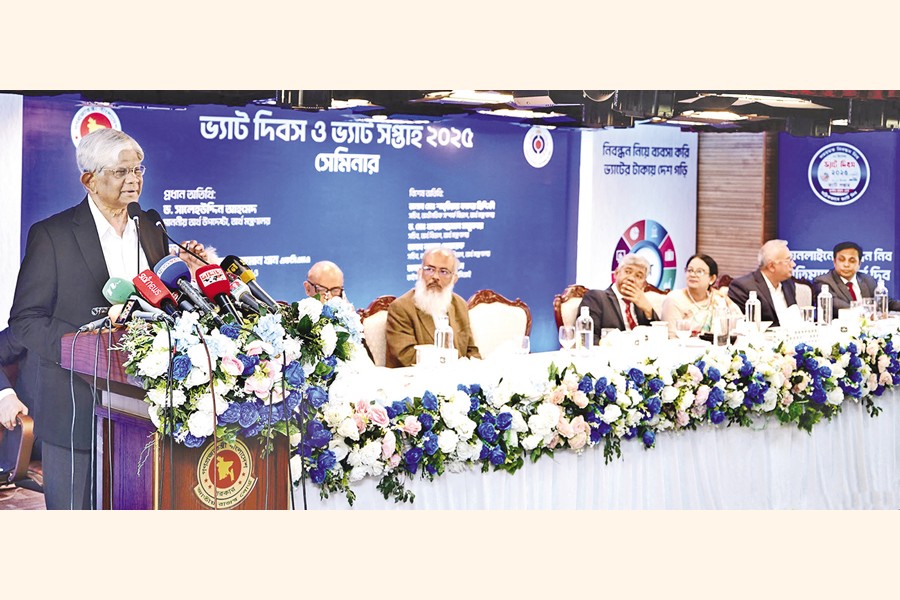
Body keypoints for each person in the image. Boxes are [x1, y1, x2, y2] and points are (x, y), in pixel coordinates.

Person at [7, 128, 169, 509]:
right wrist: (82, 348)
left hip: (141, 407)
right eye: (121, 172)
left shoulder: (151, 228)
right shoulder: (53, 234)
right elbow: (26, 320)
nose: (134, 180)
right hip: (74, 404)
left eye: (138, 169)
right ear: (89, 180)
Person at [385, 247, 480, 368]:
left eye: (443, 271)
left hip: (458, 379)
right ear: (419, 273)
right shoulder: (401, 308)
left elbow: (471, 351)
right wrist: (452, 366)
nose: (435, 276)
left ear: (454, 279)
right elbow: (406, 357)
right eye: (429, 269)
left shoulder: (459, 305)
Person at [578, 254, 660, 344]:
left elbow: (659, 340)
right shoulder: (596, 298)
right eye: (628, 272)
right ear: (616, 273)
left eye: (638, 276)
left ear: (644, 284)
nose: (631, 278)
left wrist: (648, 310)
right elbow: (586, 340)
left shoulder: (642, 304)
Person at [661, 254, 742, 339]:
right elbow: (671, 337)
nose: (692, 274)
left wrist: (726, 298)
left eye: (699, 271)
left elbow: (739, 324)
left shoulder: (717, 300)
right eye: (690, 270)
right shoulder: (674, 299)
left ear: (712, 279)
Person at [813, 241, 900, 317]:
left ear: (859, 263)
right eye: (842, 260)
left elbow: (887, 302)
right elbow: (836, 306)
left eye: (852, 261)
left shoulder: (867, 280)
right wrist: (867, 314)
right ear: (834, 262)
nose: (846, 265)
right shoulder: (823, 281)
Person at [727, 239, 797, 327]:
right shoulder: (743, 287)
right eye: (788, 261)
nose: (793, 264)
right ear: (771, 266)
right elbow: (743, 326)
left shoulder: (788, 283)